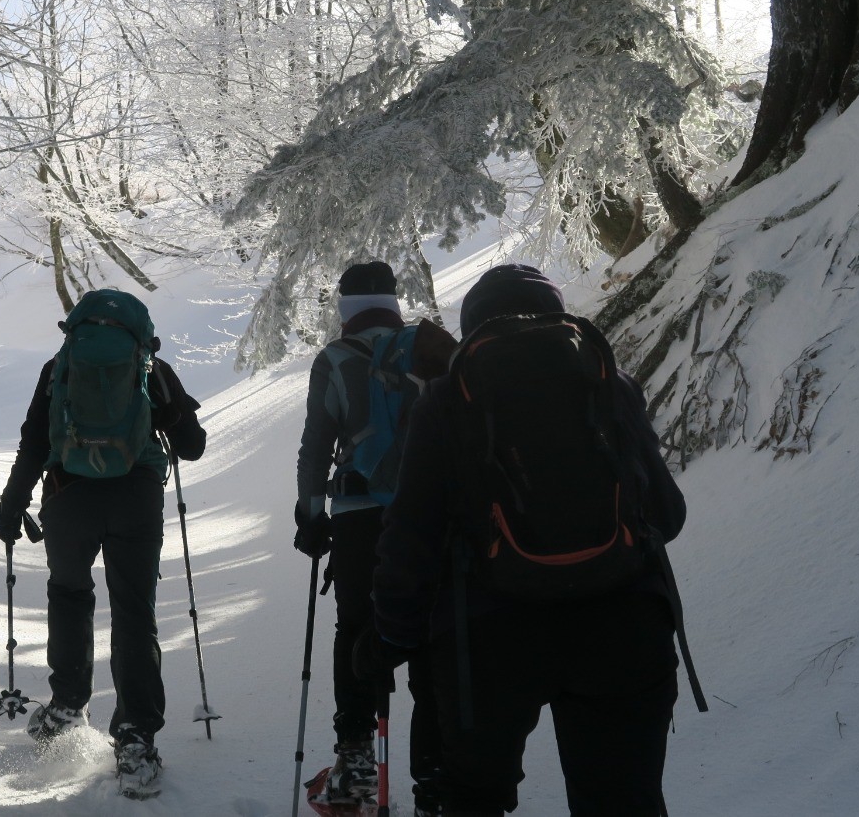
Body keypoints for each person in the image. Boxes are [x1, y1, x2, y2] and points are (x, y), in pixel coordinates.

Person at [362, 264, 692, 817]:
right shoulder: (609, 383)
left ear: (474, 329)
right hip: (623, 628)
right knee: (622, 802)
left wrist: (391, 635)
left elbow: (411, 535)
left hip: (488, 641)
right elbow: (668, 514)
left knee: (474, 802)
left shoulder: (447, 399)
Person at [0, 289, 206, 801]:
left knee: (69, 593)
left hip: (68, 499)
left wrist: (12, 503)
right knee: (134, 612)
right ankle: (135, 741)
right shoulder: (152, 370)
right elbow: (193, 447)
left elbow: (34, 442)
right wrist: (168, 417)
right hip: (136, 500)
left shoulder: (58, 369)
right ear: (139, 332)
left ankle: (67, 704)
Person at [294, 261, 449, 814]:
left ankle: (357, 759)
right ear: (393, 303)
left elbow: (316, 446)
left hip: (359, 518)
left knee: (357, 628)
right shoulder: (428, 349)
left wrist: (311, 516)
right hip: (428, 516)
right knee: (429, 638)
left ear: (345, 309)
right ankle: (436, 782)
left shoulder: (336, 358)